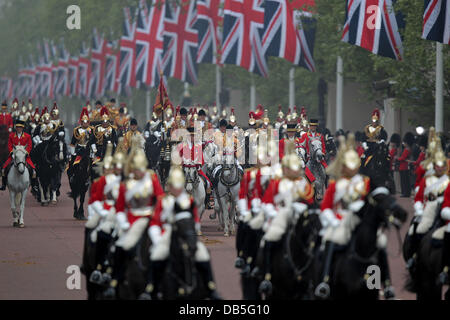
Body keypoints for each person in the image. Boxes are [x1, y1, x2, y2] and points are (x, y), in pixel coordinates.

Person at [314, 133, 406, 299]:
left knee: (380, 243)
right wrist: (333, 221)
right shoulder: (336, 184)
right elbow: (326, 207)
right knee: (330, 241)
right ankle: (325, 281)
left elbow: (378, 194)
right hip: (341, 222)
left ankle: (383, 284)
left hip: (362, 221)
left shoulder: (365, 182)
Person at [139, 166, 221, 300]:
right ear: (169, 186)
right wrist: (158, 238)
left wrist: (193, 234)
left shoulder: (188, 201)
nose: (177, 189)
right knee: (156, 255)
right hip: (167, 233)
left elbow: (195, 220)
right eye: (174, 185)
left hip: (185, 235)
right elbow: (155, 222)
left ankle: (210, 288)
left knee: (203, 254)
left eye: (179, 185)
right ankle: (150, 288)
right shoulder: (163, 201)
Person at [103, 140, 164, 299]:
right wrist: (123, 222)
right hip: (132, 220)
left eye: (141, 168)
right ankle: (115, 280)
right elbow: (120, 207)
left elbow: (160, 200)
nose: (140, 172)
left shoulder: (152, 180)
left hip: (150, 220)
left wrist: (156, 216)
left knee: (161, 245)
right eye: (137, 169)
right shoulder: (126, 184)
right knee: (122, 246)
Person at [257, 151, 314, 295]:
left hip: (300, 218)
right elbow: (267, 203)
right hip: (279, 217)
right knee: (269, 238)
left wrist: (302, 210)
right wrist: (275, 213)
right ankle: (267, 276)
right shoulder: (277, 182)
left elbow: (311, 204)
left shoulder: (304, 184)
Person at [406, 136, 449, 273]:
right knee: (419, 229)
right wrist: (418, 208)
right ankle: (414, 256)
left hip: (446, 209)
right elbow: (419, 196)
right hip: (430, 207)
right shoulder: (427, 179)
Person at [1, 119, 37, 190]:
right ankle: (4, 184)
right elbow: (9, 145)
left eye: (20, 127)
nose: (19, 129)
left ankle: (34, 186)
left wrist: (26, 153)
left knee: (33, 170)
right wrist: (12, 152)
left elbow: (29, 146)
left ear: (22, 128)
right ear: (15, 128)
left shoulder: (27, 136)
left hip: (24, 156)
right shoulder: (11, 136)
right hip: (14, 155)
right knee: (4, 169)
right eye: (17, 127)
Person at [67, 107, 96, 178]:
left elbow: (93, 141)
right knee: (72, 163)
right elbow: (73, 143)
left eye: (87, 122)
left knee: (94, 165)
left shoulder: (92, 130)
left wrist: (94, 150)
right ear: (81, 122)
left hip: (89, 150)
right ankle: (72, 176)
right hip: (79, 150)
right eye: (84, 122)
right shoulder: (76, 130)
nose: (85, 124)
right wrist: (72, 153)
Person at [397, 132, 414, 197]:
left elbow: (403, 158)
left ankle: (405, 193)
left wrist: (398, 158)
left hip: (404, 167)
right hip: (403, 167)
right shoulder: (407, 149)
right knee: (404, 181)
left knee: (404, 182)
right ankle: (405, 192)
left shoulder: (407, 149)